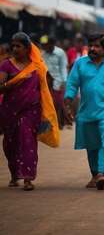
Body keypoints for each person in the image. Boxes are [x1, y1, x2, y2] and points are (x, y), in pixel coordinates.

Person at [64, 33, 104, 190]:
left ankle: (101, 172)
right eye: (90, 45)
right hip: (86, 111)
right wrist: (67, 106)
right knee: (91, 144)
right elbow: (72, 85)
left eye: (96, 46)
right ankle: (94, 174)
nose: (92, 48)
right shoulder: (80, 64)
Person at [0, 32, 59, 191]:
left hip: (31, 110)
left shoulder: (38, 66)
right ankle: (14, 174)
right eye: (13, 46)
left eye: (18, 46)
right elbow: (0, 87)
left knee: (28, 142)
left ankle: (27, 178)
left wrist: (49, 107)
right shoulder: (6, 65)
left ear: (27, 48)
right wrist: (11, 85)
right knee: (10, 144)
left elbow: (45, 87)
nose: (15, 49)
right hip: (10, 111)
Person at [40, 35, 69, 130]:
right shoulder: (42, 53)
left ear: (51, 45)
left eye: (46, 45)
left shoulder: (60, 53)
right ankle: (47, 124)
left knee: (58, 103)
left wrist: (63, 82)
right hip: (45, 82)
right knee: (46, 104)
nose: (43, 47)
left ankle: (58, 122)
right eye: (43, 45)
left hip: (57, 82)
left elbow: (63, 68)